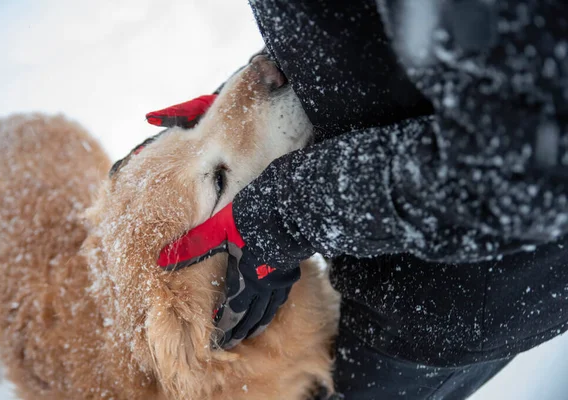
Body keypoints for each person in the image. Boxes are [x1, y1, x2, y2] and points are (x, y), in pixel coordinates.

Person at [158, 1, 568, 399]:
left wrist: (286, 213)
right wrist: (281, 79)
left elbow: (526, 165)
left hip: (460, 291)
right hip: (375, 226)